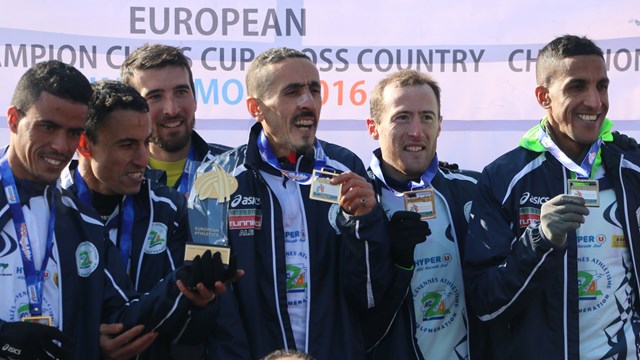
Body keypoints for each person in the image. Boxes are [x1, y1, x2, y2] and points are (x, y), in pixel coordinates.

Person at [0, 60, 232, 359]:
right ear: (13, 120)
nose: (60, 145)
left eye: (71, 132)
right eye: (48, 127)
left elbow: (120, 315)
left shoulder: (81, 220)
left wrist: (185, 284)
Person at [463, 35, 640, 359]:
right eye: (577, 87)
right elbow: (484, 304)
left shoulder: (632, 168)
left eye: (602, 86)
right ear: (544, 96)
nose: (595, 102)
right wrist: (540, 240)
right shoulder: (504, 178)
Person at [215, 47, 394, 359]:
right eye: (292, 92)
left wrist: (366, 224)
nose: (308, 103)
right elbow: (217, 304)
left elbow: (367, 294)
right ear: (256, 107)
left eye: (314, 90)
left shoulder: (345, 168)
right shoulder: (220, 178)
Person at [364, 70, 480, 359]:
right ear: (373, 127)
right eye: (402, 117)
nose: (416, 131)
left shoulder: (474, 192)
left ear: (439, 125)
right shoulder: (357, 204)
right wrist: (391, 257)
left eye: (427, 117)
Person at [120, 43, 230, 193]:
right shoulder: (117, 177)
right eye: (155, 97)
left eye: (181, 92)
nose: (171, 110)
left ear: (195, 100)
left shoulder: (235, 167)